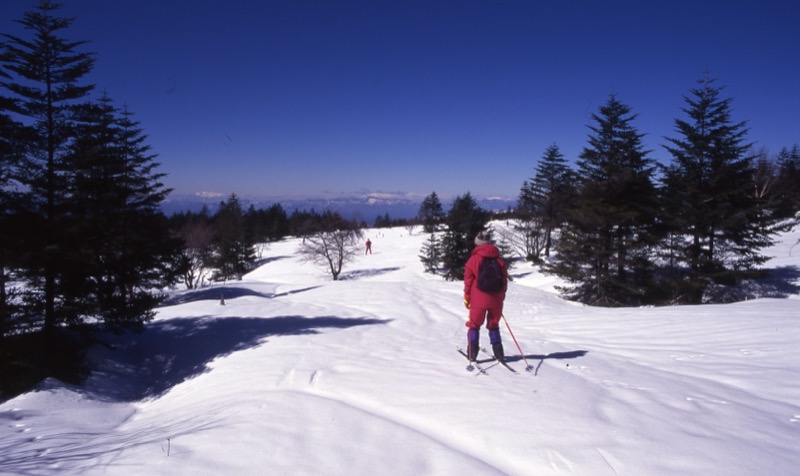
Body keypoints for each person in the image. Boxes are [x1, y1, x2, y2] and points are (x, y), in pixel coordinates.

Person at [463, 230, 508, 361]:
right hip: (496, 299)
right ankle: (498, 352)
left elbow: (468, 280)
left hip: (478, 299)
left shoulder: (473, 260)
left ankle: (472, 352)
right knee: (494, 324)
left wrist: (467, 296)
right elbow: (504, 280)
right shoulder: (499, 260)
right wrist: (501, 296)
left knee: (474, 324)